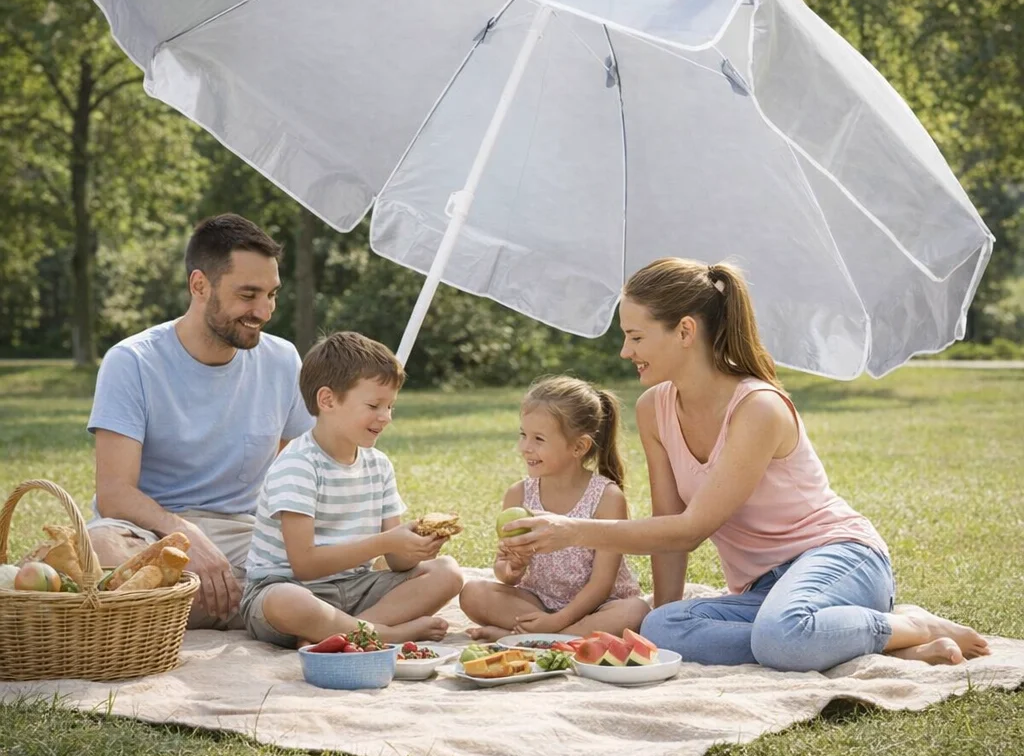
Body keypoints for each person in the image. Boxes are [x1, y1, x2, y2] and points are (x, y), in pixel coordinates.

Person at [503, 258, 990, 671]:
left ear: (685, 331)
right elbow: (668, 529)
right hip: (762, 589)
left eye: (636, 336)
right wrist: (665, 625)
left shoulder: (758, 408)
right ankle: (860, 644)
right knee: (664, 626)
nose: (625, 350)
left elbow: (690, 530)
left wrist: (572, 530)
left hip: (838, 559)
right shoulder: (655, 408)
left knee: (781, 635)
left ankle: (911, 625)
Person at [87, 213, 314, 629]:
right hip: (149, 533)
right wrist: (185, 537)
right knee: (99, 548)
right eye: (248, 295)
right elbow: (115, 493)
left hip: (245, 538)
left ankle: (179, 608)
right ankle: (250, 606)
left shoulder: (282, 360)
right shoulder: (132, 361)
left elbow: (300, 473)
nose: (264, 311)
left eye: (272, 294)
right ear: (199, 285)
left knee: (338, 562)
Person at [241, 331, 464, 647]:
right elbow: (304, 565)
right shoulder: (298, 464)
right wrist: (385, 541)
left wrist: (414, 547)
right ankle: (386, 633)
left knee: (448, 573)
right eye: (374, 405)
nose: (385, 417)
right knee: (287, 601)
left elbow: (396, 561)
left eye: (391, 406)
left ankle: (337, 634)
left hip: (357, 588)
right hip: (292, 588)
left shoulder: (379, 465)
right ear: (328, 400)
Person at [460, 375, 649, 642]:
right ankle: (558, 638)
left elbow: (601, 584)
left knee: (636, 612)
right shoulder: (518, 495)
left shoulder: (607, 498)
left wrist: (555, 622)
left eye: (539, 438)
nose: (526, 447)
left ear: (579, 446)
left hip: (598, 606)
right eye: (524, 435)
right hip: (538, 603)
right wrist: (511, 570)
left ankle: (533, 638)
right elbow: (504, 571)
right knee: (473, 594)